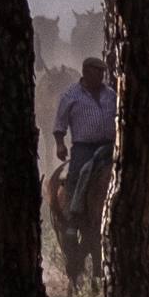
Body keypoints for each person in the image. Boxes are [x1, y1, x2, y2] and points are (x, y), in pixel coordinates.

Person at [53, 57, 116, 239]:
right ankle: (72, 217)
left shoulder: (110, 94)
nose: (102, 75)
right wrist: (59, 143)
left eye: (102, 72)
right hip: (84, 147)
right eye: (98, 71)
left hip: (110, 145)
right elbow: (60, 122)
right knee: (78, 173)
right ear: (86, 71)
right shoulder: (71, 95)